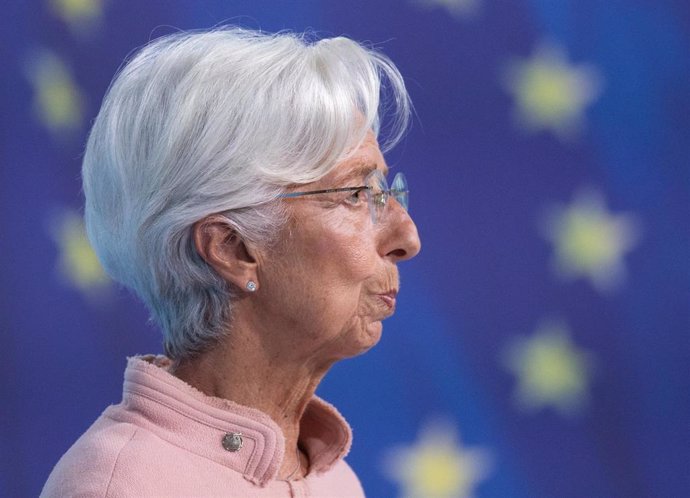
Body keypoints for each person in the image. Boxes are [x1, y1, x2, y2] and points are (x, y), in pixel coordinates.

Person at [41, 26, 420, 497]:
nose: (407, 237)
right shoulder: (120, 486)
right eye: (356, 194)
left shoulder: (333, 480)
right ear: (232, 249)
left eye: (385, 190)